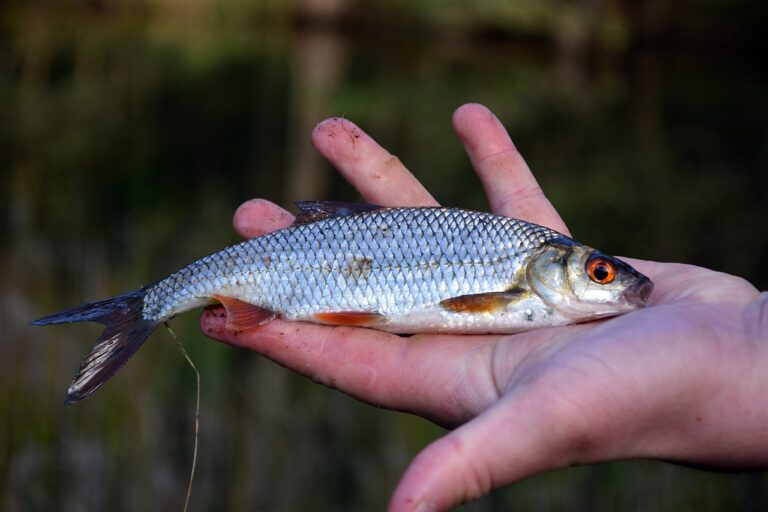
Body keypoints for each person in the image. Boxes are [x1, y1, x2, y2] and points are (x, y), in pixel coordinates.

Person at [200, 103, 768, 512]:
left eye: (603, 273)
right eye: (600, 273)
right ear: (549, 269)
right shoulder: (524, 266)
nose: (617, 284)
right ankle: (151, 306)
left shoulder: (542, 277)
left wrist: (748, 346)